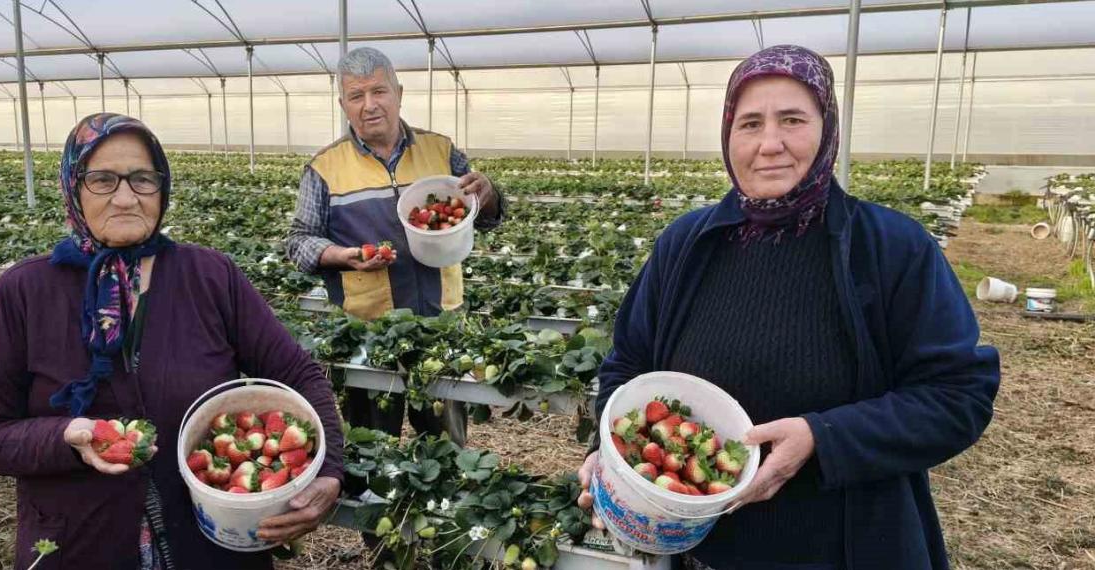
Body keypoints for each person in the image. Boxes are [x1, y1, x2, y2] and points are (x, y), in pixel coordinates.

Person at [575, 45, 1000, 570]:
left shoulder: (892, 248)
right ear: (727, 134)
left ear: (827, 130)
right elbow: (628, 364)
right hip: (697, 547)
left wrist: (821, 438)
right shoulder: (687, 244)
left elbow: (957, 396)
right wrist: (617, 456)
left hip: (840, 548)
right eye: (749, 123)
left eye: (793, 119)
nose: (769, 144)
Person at [0, 113, 345, 570]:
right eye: (103, 179)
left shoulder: (210, 275)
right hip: (80, 543)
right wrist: (65, 436)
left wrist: (328, 470)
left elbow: (295, 372)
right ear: (73, 186)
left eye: (143, 179)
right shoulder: (26, 290)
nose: (125, 197)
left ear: (161, 189)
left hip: (212, 541)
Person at [285, 47, 505, 444]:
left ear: (398, 93)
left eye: (379, 91)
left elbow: (483, 214)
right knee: (370, 441)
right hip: (367, 331)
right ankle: (373, 496)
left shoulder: (441, 151)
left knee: (445, 440)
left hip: (441, 323)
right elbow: (299, 242)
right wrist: (342, 257)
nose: (369, 105)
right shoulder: (323, 168)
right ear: (343, 104)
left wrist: (489, 195)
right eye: (356, 96)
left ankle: (444, 499)